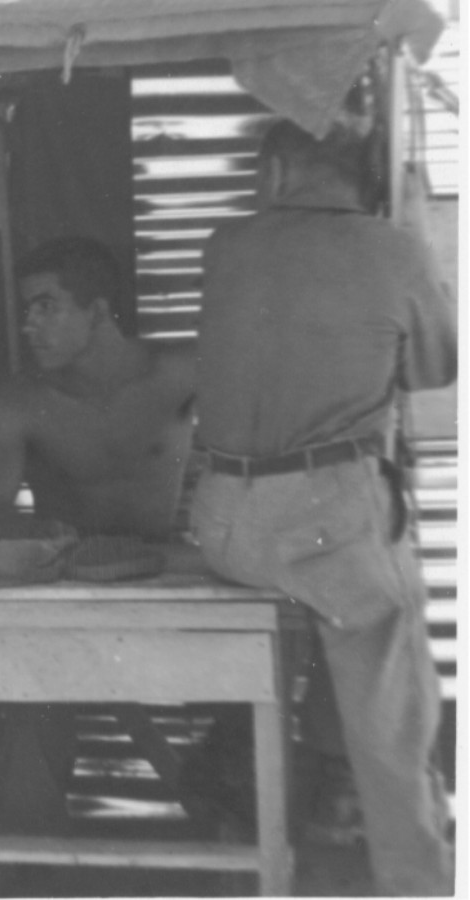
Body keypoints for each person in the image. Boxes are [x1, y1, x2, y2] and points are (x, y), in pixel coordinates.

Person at [192, 119, 453, 896]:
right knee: (394, 704)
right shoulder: (392, 248)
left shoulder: (226, 245)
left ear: (275, 169)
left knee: (333, 624)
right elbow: (436, 368)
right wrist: (412, 230)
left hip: (224, 527)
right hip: (320, 525)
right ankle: (416, 882)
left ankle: (308, 814)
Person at [0, 236, 196, 836]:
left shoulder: (178, 375)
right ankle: (25, 854)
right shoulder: (21, 400)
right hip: (63, 587)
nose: (30, 326)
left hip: (167, 585)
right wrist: (34, 529)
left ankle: (230, 835)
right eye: (27, 310)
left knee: (243, 691)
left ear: (97, 311)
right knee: (30, 700)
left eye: (47, 307)